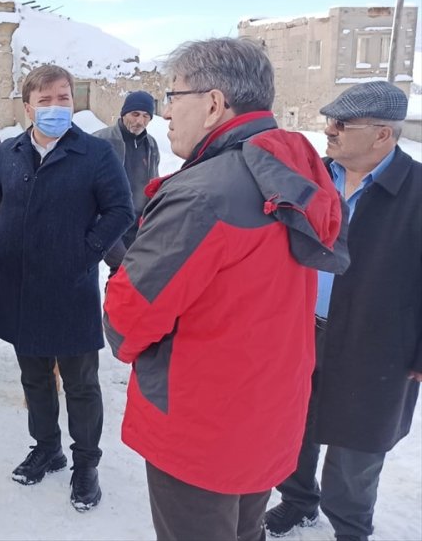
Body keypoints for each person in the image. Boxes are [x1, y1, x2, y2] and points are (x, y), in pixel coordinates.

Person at [103, 38, 349, 541]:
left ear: (214, 103)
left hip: (202, 424)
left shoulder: (204, 193)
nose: (165, 112)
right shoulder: (293, 168)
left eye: (173, 96)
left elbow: (129, 319)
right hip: (267, 409)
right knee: (245, 528)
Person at [0, 64, 134, 511]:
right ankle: (47, 448)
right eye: (45, 100)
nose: (56, 107)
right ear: (28, 107)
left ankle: (86, 463)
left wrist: (86, 253)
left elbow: (120, 210)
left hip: (70, 289)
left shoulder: (95, 153)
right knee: (35, 376)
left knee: (80, 384)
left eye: (63, 98)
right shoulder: (10, 151)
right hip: (20, 287)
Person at [265, 81, 421, 541]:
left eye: (342, 123)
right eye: (330, 120)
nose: (329, 130)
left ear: (382, 135)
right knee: (293, 425)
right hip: (300, 331)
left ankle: (351, 530)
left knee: (357, 448)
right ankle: (298, 501)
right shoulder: (313, 179)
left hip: (379, 346)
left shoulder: (417, 192)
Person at [93, 91, 160, 274]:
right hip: (108, 223)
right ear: (123, 113)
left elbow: (154, 182)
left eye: (146, 116)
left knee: (130, 277)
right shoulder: (100, 141)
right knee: (123, 269)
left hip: (138, 226)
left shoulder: (151, 145)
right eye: (135, 114)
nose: (140, 121)